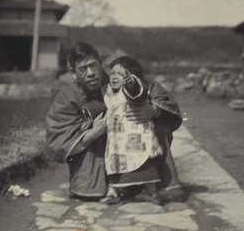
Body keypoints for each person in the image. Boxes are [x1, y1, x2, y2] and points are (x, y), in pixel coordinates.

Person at [45, 42, 182, 200]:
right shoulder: (67, 97)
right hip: (96, 148)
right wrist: (94, 132)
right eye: (83, 69)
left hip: (132, 141)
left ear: (101, 64)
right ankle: (115, 186)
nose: (90, 73)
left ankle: (146, 183)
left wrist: (153, 110)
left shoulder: (118, 76)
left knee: (156, 125)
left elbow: (153, 89)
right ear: (73, 72)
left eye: (93, 65)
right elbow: (57, 138)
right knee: (91, 190)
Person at [102, 56, 165, 205]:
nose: (115, 77)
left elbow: (138, 93)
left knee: (146, 165)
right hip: (118, 140)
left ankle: (151, 192)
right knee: (117, 166)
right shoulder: (109, 93)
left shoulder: (132, 89)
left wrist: (131, 83)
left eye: (121, 74)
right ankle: (115, 190)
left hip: (137, 135)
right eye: (112, 73)